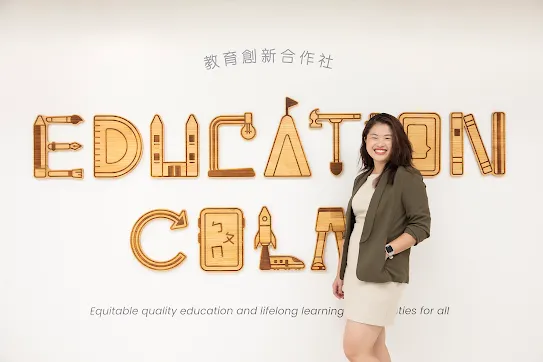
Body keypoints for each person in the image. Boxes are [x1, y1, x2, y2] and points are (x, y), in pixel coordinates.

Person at [332, 113, 431, 362]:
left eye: (388, 137)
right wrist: (340, 272)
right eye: (374, 136)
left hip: (382, 274)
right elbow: (353, 229)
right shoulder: (362, 179)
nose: (380, 142)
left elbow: (421, 225)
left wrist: (386, 250)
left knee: (354, 350)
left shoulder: (406, 177)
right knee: (375, 349)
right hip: (356, 271)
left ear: (397, 142)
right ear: (365, 141)